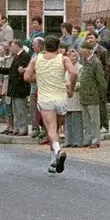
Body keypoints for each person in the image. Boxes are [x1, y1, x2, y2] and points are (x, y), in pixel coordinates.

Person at [24, 34, 77, 174]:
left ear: (44, 47)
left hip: (46, 99)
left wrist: (39, 77)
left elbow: (26, 77)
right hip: (61, 98)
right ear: (58, 47)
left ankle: (58, 152)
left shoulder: (36, 59)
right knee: (56, 129)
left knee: (51, 130)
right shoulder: (63, 59)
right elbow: (74, 72)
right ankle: (53, 161)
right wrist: (70, 88)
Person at [77, 41, 107, 148]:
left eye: (81, 49)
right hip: (84, 95)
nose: (80, 51)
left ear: (87, 50)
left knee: (94, 120)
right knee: (86, 119)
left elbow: (101, 80)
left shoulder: (95, 62)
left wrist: (102, 95)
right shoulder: (85, 62)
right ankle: (88, 138)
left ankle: (95, 140)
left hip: (92, 95)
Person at [5, 40, 33, 137]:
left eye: (12, 46)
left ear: (18, 46)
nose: (11, 48)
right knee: (15, 110)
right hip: (14, 87)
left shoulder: (25, 56)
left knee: (21, 109)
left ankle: (23, 128)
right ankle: (16, 127)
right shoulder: (17, 56)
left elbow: (24, 71)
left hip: (20, 86)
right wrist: (0, 69)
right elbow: (12, 70)